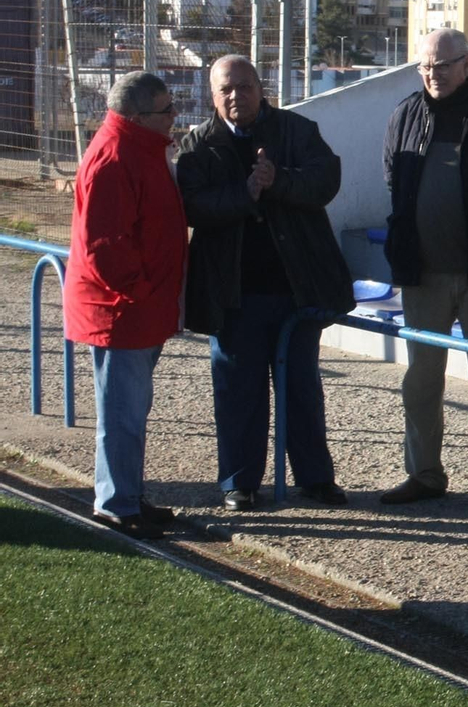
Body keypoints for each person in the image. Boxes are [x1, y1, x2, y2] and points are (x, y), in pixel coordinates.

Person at [177, 56, 354, 512]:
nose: (236, 96)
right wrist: (246, 193)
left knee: (302, 389)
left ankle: (315, 480)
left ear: (261, 87)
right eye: (225, 90)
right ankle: (240, 483)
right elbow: (194, 206)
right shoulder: (197, 145)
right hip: (233, 293)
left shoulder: (297, 131)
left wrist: (279, 181)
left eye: (244, 86)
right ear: (213, 96)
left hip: (296, 291)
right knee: (239, 392)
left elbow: (326, 179)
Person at [378, 28, 468, 509]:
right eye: (425, 66)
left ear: (467, 63)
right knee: (421, 379)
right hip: (423, 274)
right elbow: (393, 178)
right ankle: (424, 473)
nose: (433, 74)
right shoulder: (405, 114)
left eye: (442, 64)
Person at [63, 71, 187, 539]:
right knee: (122, 413)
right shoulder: (116, 157)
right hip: (121, 310)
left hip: (136, 306)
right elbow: (105, 248)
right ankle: (115, 502)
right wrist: (144, 292)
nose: (175, 116)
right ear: (138, 117)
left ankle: (126, 495)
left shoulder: (137, 148)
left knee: (130, 411)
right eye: (167, 110)